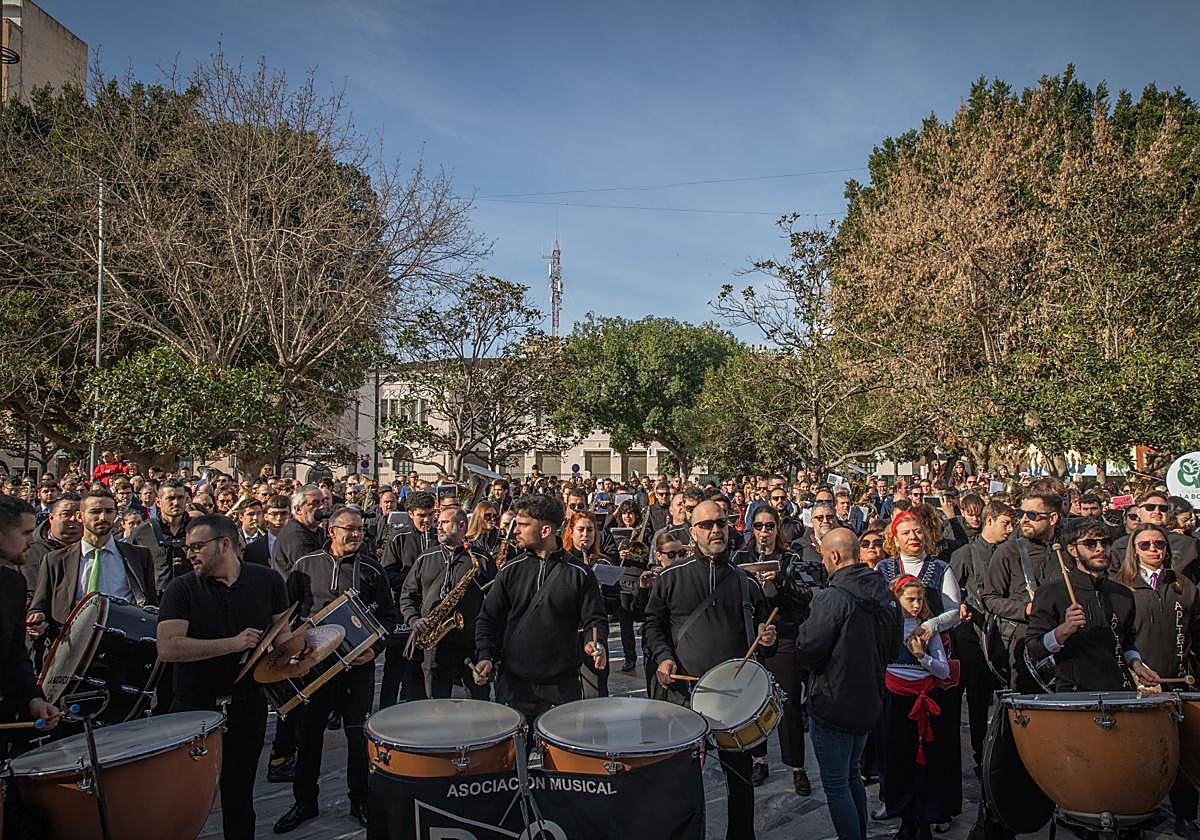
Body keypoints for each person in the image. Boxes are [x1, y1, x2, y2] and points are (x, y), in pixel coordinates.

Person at [643, 499, 778, 840]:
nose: (715, 530)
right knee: (683, 783)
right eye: (706, 525)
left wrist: (767, 640)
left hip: (734, 700)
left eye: (721, 523)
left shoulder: (747, 583)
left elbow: (765, 638)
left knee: (741, 784)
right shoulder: (671, 578)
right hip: (684, 694)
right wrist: (663, 656)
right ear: (692, 532)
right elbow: (653, 626)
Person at [156, 514, 291, 840]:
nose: (190, 554)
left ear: (225, 544)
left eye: (197, 547)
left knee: (240, 796)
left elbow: (283, 636)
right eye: (188, 548)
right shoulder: (181, 588)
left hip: (246, 705)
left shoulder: (268, 581)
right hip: (194, 709)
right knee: (184, 798)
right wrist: (231, 644)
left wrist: (302, 653)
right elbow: (168, 647)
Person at [275, 506, 398, 833]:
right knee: (309, 736)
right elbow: (286, 616)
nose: (356, 534)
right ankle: (304, 801)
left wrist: (374, 649)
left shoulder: (372, 568)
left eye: (359, 529)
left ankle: (360, 800)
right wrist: (293, 654)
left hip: (357, 668)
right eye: (349, 529)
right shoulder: (305, 565)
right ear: (331, 531)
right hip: (314, 668)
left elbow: (389, 618)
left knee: (357, 736)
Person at [797, 528, 901, 840]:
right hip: (869, 700)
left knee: (836, 783)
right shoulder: (885, 592)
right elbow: (893, 648)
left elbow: (809, 649)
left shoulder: (832, 598)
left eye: (824, 557)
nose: (823, 563)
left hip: (834, 702)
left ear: (834, 556)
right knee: (852, 772)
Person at [474, 494, 607, 728]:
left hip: (561, 686)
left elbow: (595, 619)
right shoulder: (510, 571)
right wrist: (485, 655)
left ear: (545, 531)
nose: (516, 530)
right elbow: (487, 619)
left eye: (523, 525)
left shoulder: (580, 573)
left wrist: (596, 642)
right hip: (514, 684)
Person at [1115, 522, 1200, 839]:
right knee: (1141, 754)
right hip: (1137, 683)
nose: (1153, 550)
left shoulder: (1183, 586)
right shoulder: (1121, 586)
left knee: (1182, 752)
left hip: (1180, 679)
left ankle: (1185, 816)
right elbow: (1118, 636)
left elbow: (1195, 631)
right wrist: (1132, 665)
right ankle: (1138, 814)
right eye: (1145, 545)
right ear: (1134, 550)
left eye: (1159, 544)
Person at [733, 504, 819, 794]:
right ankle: (759, 760)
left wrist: (781, 580)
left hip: (783, 636)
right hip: (752, 638)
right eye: (758, 526)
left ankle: (796, 766)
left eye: (769, 526)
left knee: (788, 701)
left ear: (777, 528)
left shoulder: (790, 557)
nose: (764, 532)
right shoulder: (740, 557)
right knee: (753, 702)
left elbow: (805, 596)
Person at [1025, 517, 1160, 691]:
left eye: (1104, 543)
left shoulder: (1123, 594)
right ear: (1072, 550)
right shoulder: (1051, 592)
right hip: (1074, 694)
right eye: (1090, 543)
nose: (1100, 549)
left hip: (1119, 691)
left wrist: (1137, 664)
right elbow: (1034, 650)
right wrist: (1064, 629)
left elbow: (1126, 643)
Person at [28, 489, 158, 643]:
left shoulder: (138, 556)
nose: (102, 517)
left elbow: (151, 605)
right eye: (95, 512)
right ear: (80, 516)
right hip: (72, 644)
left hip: (125, 643)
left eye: (109, 511)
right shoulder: (56, 560)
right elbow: (40, 604)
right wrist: (37, 618)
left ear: (116, 515)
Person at [882, 575, 956, 840]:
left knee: (924, 761)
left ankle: (924, 818)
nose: (916, 605)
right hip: (895, 698)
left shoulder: (926, 631)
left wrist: (921, 656)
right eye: (910, 599)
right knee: (897, 759)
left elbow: (944, 670)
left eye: (920, 599)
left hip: (923, 700)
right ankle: (905, 818)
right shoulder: (888, 628)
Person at [399, 506, 492, 700]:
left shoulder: (481, 559)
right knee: (436, 702)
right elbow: (408, 595)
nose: (438, 527)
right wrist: (414, 619)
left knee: (479, 700)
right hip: (435, 642)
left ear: (462, 526)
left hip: (470, 641)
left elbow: (495, 601)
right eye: (439, 522)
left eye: (445, 522)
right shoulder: (426, 557)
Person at [948, 500, 1014, 772]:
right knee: (977, 700)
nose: (1010, 529)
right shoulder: (966, 553)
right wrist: (960, 607)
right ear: (990, 521)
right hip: (974, 637)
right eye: (1005, 524)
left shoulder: (1013, 552)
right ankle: (980, 754)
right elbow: (951, 591)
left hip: (1007, 635)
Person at [982, 489, 1061, 690]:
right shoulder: (1007, 551)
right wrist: (1024, 609)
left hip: (1065, 638)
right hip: (1025, 639)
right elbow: (990, 598)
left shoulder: (1067, 549)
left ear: (1052, 518)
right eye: (1021, 513)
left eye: (1032, 515)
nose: (1024, 519)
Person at [0, 497, 61, 755]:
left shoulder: (14, 583)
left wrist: (34, 698)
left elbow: (15, 654)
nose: (33, 540)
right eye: (25, 533)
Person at [380, 490, 437, 706]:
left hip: (429, 609)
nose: (427, 520)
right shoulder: (399, 538)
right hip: (404, 609)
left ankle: (416, 704)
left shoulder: (438, 537)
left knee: (420, 667)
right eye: (422, 515)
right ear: (411, 514)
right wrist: (416, 579)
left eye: (431, 514)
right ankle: (386, 708)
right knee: (395, 665)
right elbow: (387, 573)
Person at [562, 510, 615, 697]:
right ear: (571, 532)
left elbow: (615, 603)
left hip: (594, 633)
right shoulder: (562, 562)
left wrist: (597, 596)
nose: (586, 534)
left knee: (596, 691)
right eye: (581, 530)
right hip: (567, 634)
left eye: (590, 530)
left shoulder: (604, 562)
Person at [1110, 490, 1199, 583]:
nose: (1157, 511)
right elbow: (1113, 580)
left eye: (1163, 508)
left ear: (1168, 513)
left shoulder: (1188, 544)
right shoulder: (1121, 545)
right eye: (1150, 507)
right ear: (1139, 512)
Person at [128, 481, 193, 589]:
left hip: (193, 594)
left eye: (180, 498)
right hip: (157, 596)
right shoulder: (143, 532)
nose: (176, 503)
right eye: (170, 498)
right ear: (158, 502)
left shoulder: (198, 529)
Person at [245, 494, 290, 567]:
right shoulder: (252, 549)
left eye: (284, 513)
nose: (279, 518)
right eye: (274, 514)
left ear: (290, 515)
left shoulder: (301, 543)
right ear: (265, 516)